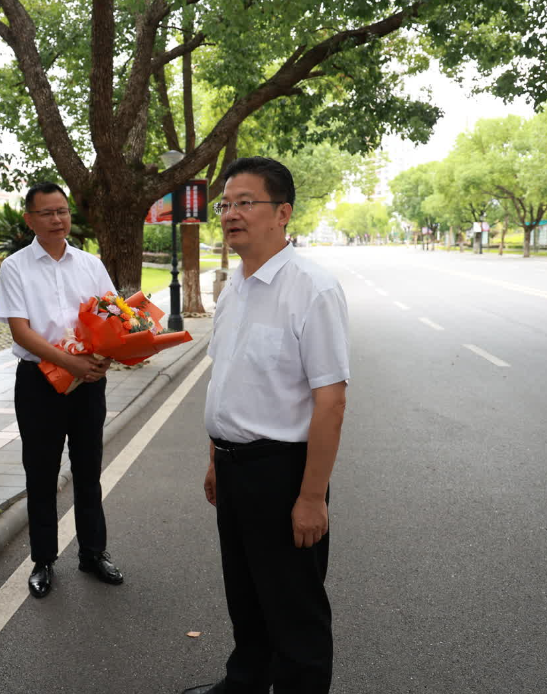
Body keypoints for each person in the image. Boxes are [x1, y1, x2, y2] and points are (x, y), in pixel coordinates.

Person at [185, 157, 350, 694]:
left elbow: (331, 401)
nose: (231, 214)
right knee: (246, 595)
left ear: (283, 213)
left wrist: (312, 497)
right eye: (226, 204)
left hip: (282, 474)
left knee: (294, 610)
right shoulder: (234, 286)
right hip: (234, 469)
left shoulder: (312, 289)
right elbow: (228, 380)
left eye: (246, 203)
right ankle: (245, 684)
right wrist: (215, 459)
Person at [0, 182, 124, 599]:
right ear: (29, 219)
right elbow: (21, 331)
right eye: (47, 213)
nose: (57, 219)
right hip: (38, 383)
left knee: (88, 469)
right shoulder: (15, 267)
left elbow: (114, 317)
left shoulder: (90, 264)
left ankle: (93, 552)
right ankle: (43, 560)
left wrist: (103, 360)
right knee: (41, 472)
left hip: (88, 383)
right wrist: (69, 363)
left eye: (62, 211)